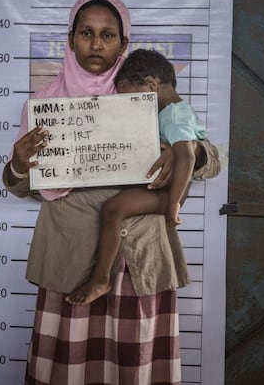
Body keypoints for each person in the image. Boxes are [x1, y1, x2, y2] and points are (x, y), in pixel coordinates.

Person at [3, 0, 220, 385]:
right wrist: (18, 165)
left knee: (136, 365)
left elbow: (209, 157)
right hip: (71, 255)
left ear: (124, 42)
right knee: (66, 365)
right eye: (86, 33)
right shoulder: (44, 104)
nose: (96, 43)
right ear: (70, 39)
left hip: (141, 256)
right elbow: (22, 186)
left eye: (108, 35)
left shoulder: (144, 92)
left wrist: (188, 155)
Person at [65, 48, 210, 305]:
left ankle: (100, 279)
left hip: (169, 193)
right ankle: (101, 278)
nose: (129, 107)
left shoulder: (175, 114)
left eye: (131, 98)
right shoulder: (166, 113)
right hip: (161, 189)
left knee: (112, 209)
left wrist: (174, 203)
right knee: (111, 210)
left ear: (151, 85)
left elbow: (186, 157)